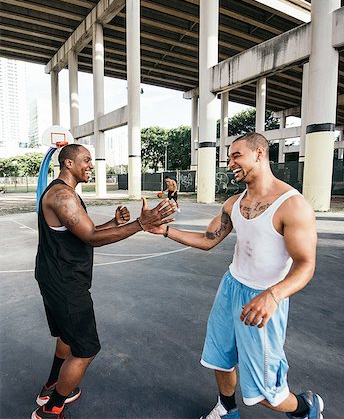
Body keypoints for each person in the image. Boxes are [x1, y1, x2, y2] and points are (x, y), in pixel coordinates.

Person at [149, 133, 322, 419]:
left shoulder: (292, 205)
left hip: (264, 297)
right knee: (220, 357)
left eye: (236, 155)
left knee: (268, 393)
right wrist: (165, 230)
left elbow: (306, 265)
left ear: (259, 154)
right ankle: (227, 409)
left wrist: (273, 295)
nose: (229, 163)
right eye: (229, 157)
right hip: (231, 286)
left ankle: (306, 408)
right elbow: (208, 239)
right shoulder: (233, 203)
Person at [32, 144, 176, 419]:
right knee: (86, 350)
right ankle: (51, 409)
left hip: (56, 278)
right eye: (85, 160)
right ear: (69, 164)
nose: (91, 165)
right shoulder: (63, 196)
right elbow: (91, 238)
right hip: (66, 283)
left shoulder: (64, 193)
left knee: (66, 335)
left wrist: (114, 222)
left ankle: (52, 384)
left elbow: (85, 231)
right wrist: (139, 225)